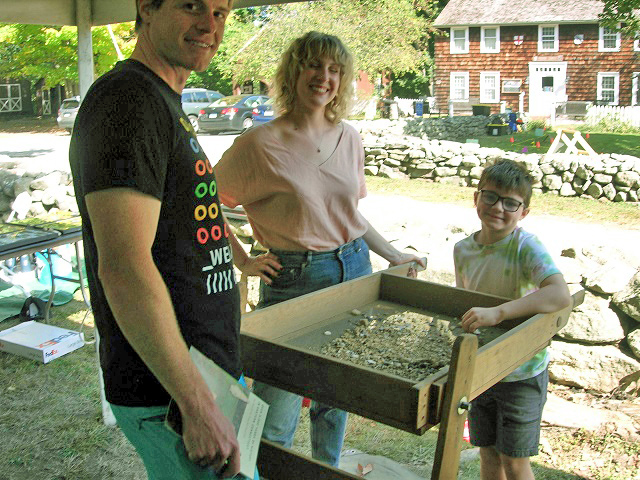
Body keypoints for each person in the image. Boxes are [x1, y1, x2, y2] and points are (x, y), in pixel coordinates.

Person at [214, 31, 426, 468]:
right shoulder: (259, 144)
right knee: (277, 410)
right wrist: (242, 258)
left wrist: (392, 255)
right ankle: (267, 472)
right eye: (314, 65)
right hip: (295, 278)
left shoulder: (349, 137)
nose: (323, 77)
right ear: (294, 72)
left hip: (354, 268)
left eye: (334, 70)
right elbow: (200, 201)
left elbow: (347, 217)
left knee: (337, 396)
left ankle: (328, 470)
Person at [69, 1, 251, 479]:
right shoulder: (128, 101)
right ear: (146, 9)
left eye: (220, 11)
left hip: (201, 376)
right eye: (191, 5)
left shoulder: (161, 98)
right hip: (170, 394)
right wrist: (195, 402)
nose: (209, 25)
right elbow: (123, 267)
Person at [453, 159, 571, 480]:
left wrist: (500, 312)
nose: (498, 208)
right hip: (481, 371)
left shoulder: (526, 247)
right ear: (476, 199)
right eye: (490, 196)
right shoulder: (462, 250)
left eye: (511, 202)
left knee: (514, 461)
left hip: (521, 373)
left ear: (523, 212)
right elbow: (464, 303)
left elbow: (560, 294)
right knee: (488, 453)